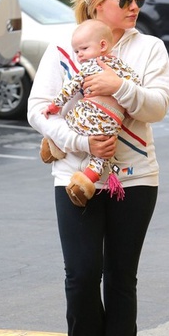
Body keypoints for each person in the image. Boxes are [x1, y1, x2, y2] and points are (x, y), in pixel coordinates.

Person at [27, 0, 169, 336]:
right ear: (96, 3)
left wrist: (118, 85)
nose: (134, 7)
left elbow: (158, 106)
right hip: (76, 175)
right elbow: (39, 109)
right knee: (83, 273)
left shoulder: (149, 48)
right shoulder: (63, 50)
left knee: (120, 276)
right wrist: (82, 142)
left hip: (136, 179)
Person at [40, 19, 141, 207]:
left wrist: (54, 106)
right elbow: (136, 84)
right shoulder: (123, 67)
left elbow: (70, 88)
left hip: (89, 113)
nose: (79, 55)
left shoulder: (91, 66)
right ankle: (85, 183)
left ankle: (54, 146)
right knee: (101, 156)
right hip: (112, 122)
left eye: (84, 49)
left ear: (102, 45)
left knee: (70, 120)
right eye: (77, 51)